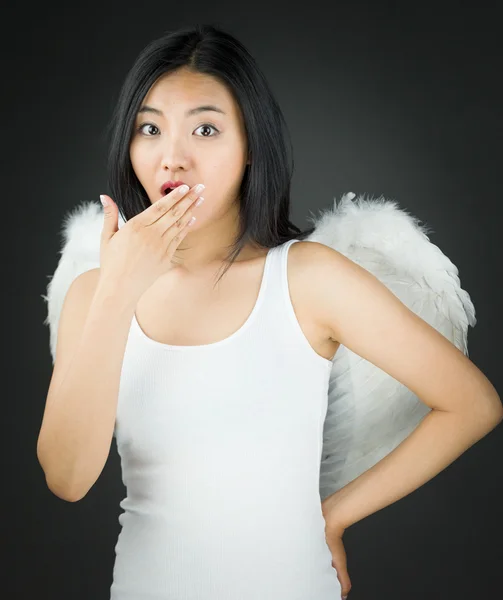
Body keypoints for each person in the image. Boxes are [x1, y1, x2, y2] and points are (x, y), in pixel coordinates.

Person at [37, 23, 502, 600]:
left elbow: (472, 404)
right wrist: (116, 291)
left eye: (205, 129)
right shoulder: (93, 293)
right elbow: (67, 477)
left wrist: (333, 516)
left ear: (251, 143)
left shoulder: (309, 279)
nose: (172, 158)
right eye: (149, 129)